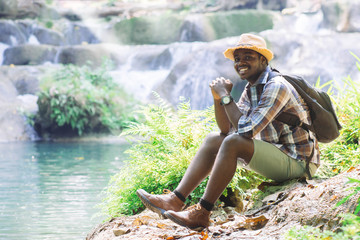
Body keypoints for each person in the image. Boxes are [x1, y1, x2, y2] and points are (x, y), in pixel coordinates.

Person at [136, 33, 320, 230]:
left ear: (262, 60)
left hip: (299, 163)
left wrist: (225, 95)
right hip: (277, 154)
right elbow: (227, 129)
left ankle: (202, 213)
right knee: (214, 139)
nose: (241, 62)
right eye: (237, 58)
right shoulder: (252, 89)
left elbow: (246, 132)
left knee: (234, 142)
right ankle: (175, 199)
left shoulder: (276, 86)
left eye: (248, 57)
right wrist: (218, 98)